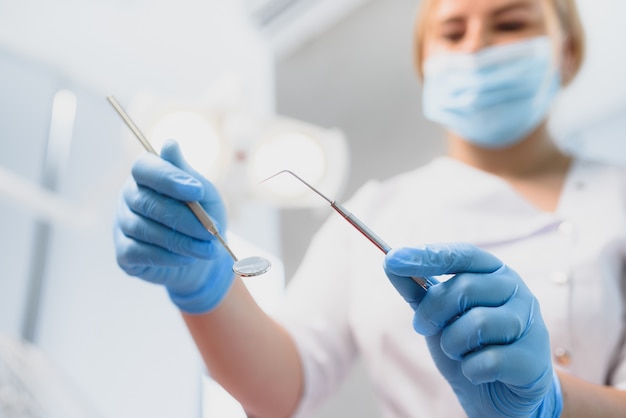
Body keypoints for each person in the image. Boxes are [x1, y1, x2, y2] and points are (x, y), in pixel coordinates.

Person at [114, 0, 626, 416]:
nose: (476, 46)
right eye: (451, 32)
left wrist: (549, 404)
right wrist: (204, 284)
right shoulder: (380, 209)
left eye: (511, 22)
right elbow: (280, 388)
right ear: (425, 65)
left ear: (569, 51)